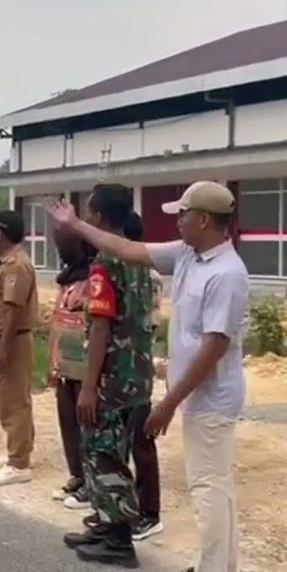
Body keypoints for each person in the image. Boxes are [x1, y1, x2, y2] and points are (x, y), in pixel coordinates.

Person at [49, 180, 249, 572]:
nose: (176, 220)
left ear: (203, 219)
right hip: (194, 393)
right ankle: (223, 569)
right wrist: (77, 225)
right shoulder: (189, 255)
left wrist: (168, 403)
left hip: (210, 396)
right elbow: (128, 250)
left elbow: (215, 347)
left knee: (209, 486)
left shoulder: (227, 274)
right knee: (218, 483)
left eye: (182, 214)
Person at [52, 185, 155, 569]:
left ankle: (117, 539)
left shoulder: (106, 263)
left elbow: (100, 328)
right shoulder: (139, 257)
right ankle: (104, 522)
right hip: (136, 376)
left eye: (88, 213)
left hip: (111, 379)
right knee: (114, 451)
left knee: (102, 453)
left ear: (96, 218)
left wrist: (89, 387)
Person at [0, 210, 39, 487]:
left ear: (1, 234)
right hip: (2, 339)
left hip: (10, 340)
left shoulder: (15, 265)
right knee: (7, 400)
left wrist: (3, 348)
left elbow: (14, 310)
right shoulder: (6, 262)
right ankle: (17, 450)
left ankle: (19, 464)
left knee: (14, 402)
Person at [120, 211, 165, 539]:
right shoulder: (131, 269)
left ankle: (150, 512)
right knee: (124, 440)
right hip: (126, 367)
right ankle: (127, 506)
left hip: (136, 366)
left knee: (141, 441)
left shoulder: (143, 273)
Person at [48, 229, 97, 508]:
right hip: (64, 360)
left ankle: (92, 482)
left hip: (85, 362)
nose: (62, 252)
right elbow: (57, 321)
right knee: (66, 416)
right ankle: (77, 474)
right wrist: (53, 364)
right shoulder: (65, 281)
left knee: (86, 421)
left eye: (66, 246)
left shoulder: (93, 279)